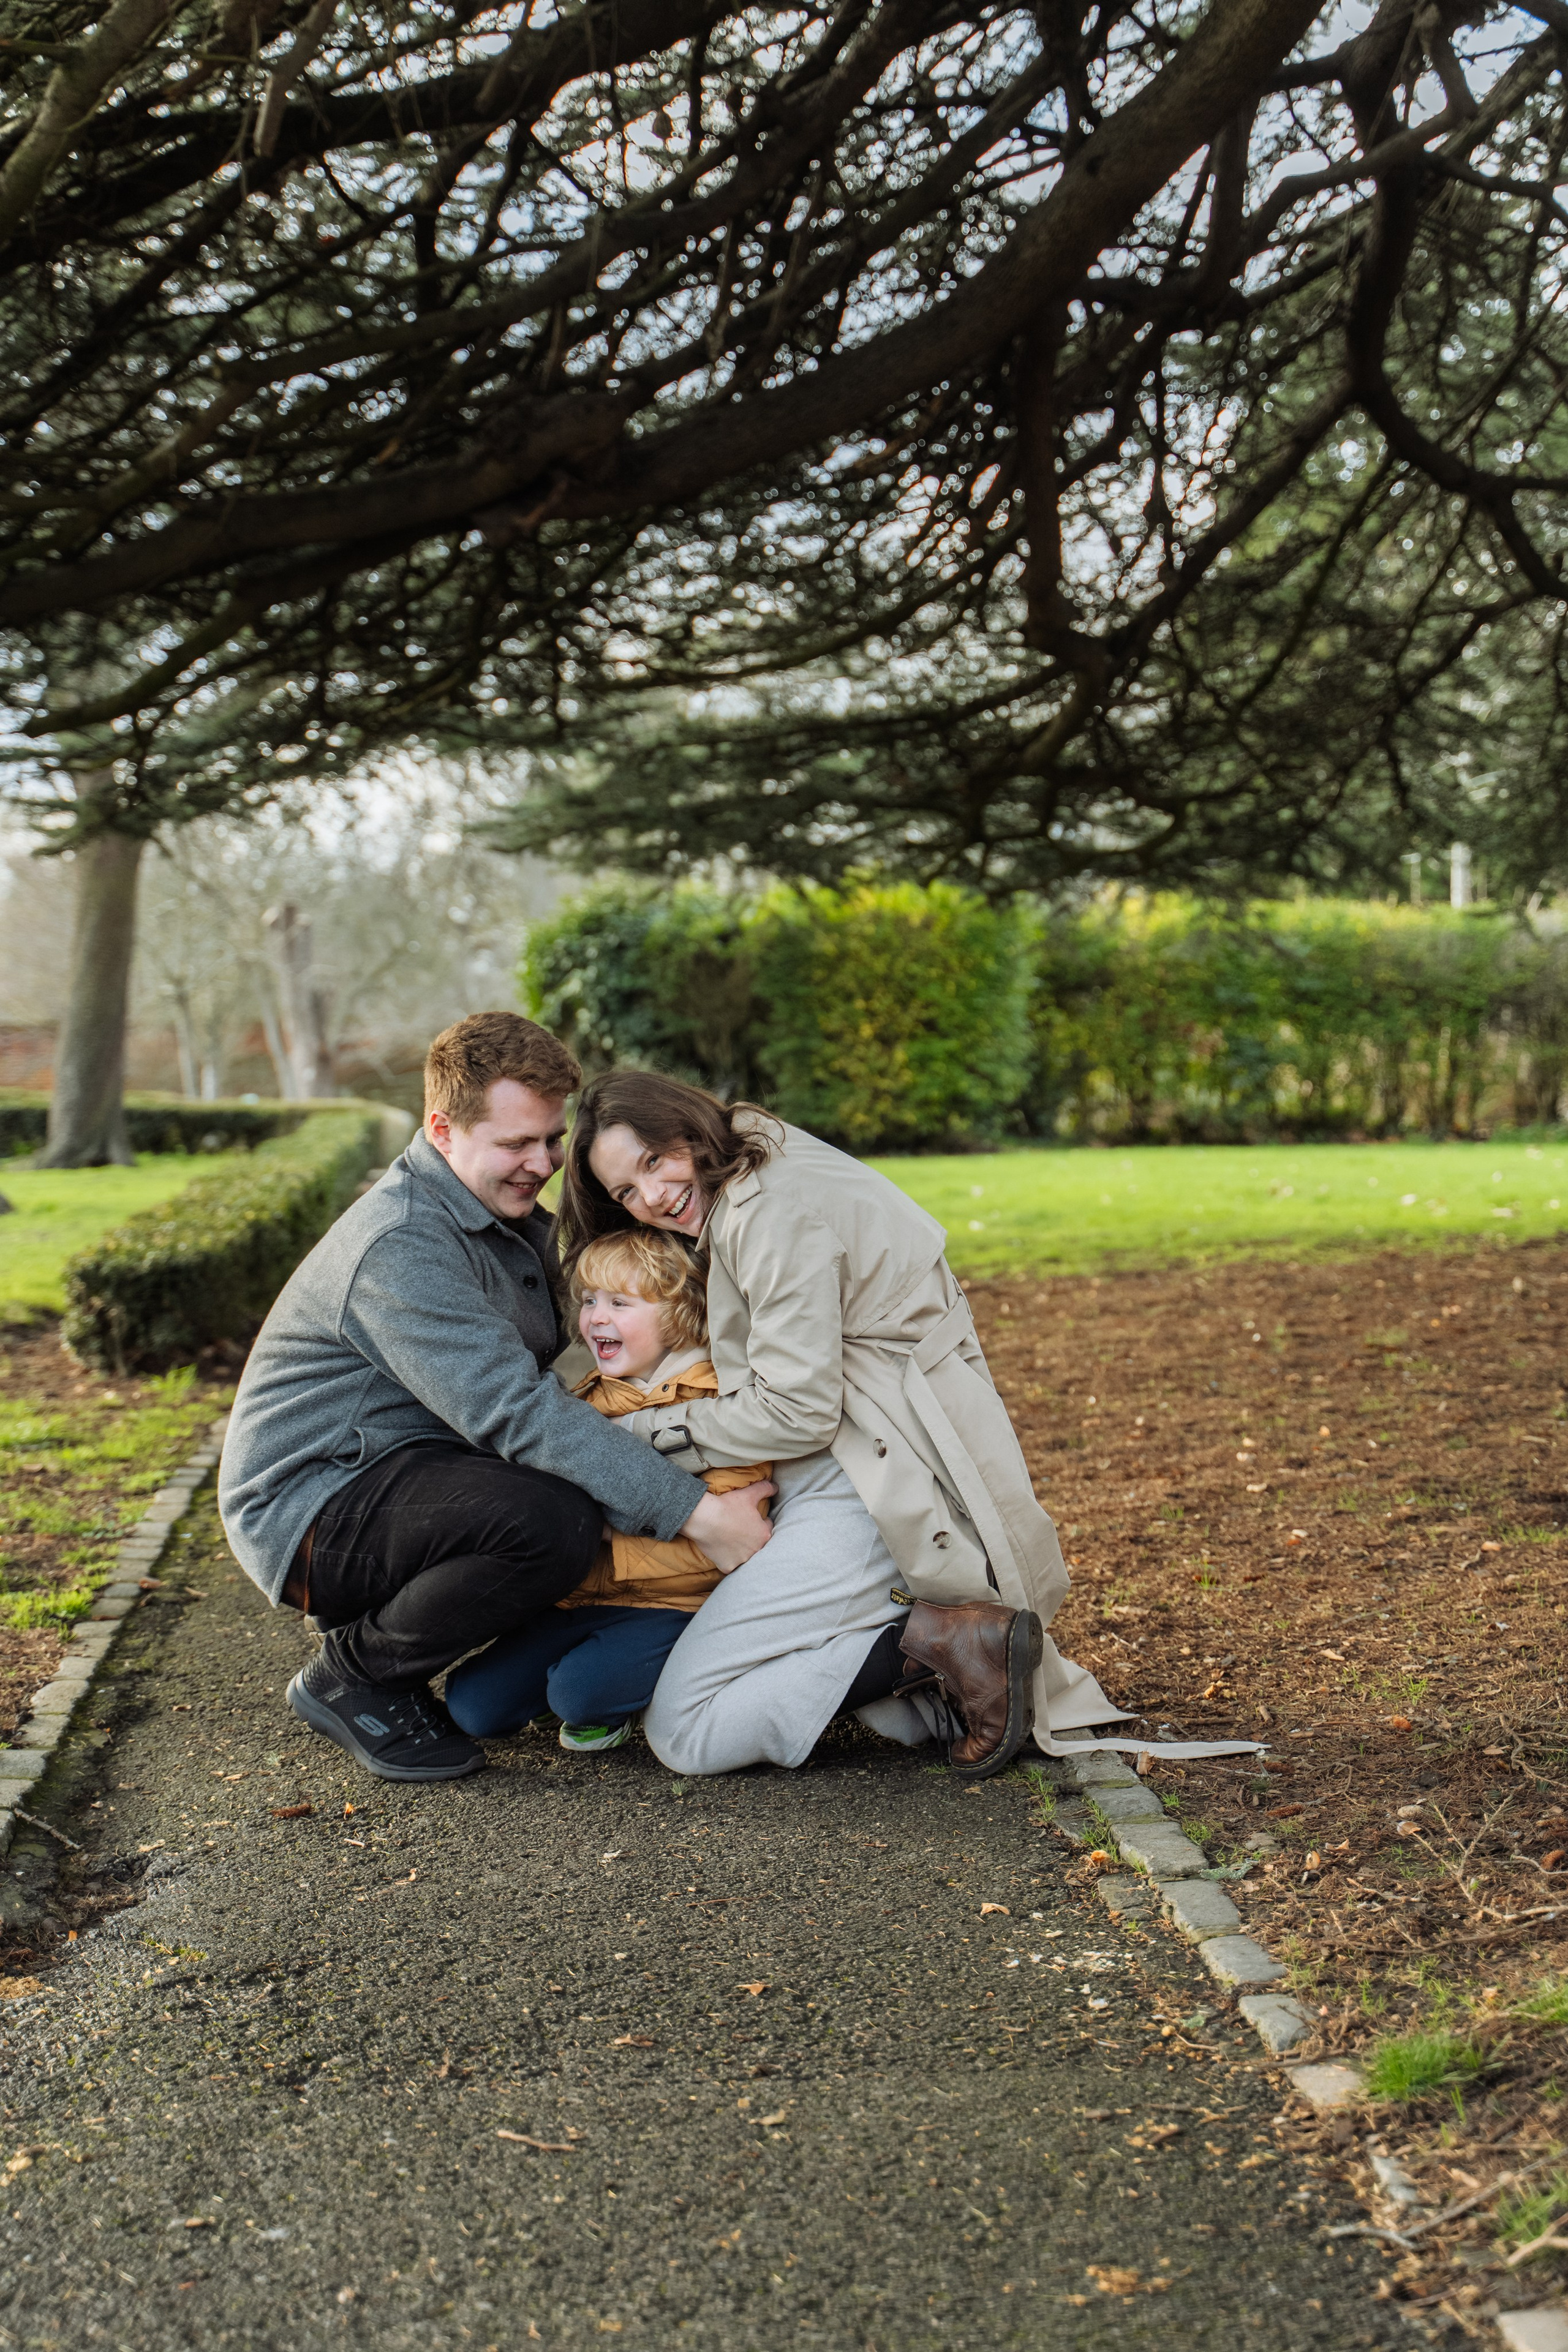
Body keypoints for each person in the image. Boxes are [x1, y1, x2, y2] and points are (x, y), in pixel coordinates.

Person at [217, 1014, 774, 1783]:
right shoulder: (401, 1246)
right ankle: (356, 1673)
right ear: (442, 1128)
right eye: (515, 1145)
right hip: (312, 1507)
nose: (541, 1163)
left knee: (556, 1498)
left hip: (404, 1473)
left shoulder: (494, 1217)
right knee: (549, 1521)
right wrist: (696, 1514)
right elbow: (514, 1412)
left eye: (549, 1140)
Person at [560, 1072, 1123, 1781]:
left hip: (865, 1489)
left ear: (687, 1129)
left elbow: (797, 1412)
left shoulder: (770, 1215)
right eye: (625, 1192)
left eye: (653, 1162)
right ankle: (934, 1682)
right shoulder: (757, 1157)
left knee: (685, 1731)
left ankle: (938, 1644)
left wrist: (633, 1440)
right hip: (850, 1462)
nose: (652, 1198)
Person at [443, 1227, 771, 1752]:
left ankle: (622, 1691)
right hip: (574, 1599)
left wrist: (592, 1529)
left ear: (680, 1312)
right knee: (473, 1707)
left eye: (620, 1303)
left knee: (582, 1698)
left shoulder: (722, 1401)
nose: (596, 1317)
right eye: (589, 1301)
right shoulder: (581, 1403)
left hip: (671, 1606)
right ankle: (563, 1678)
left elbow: (726, 1541)